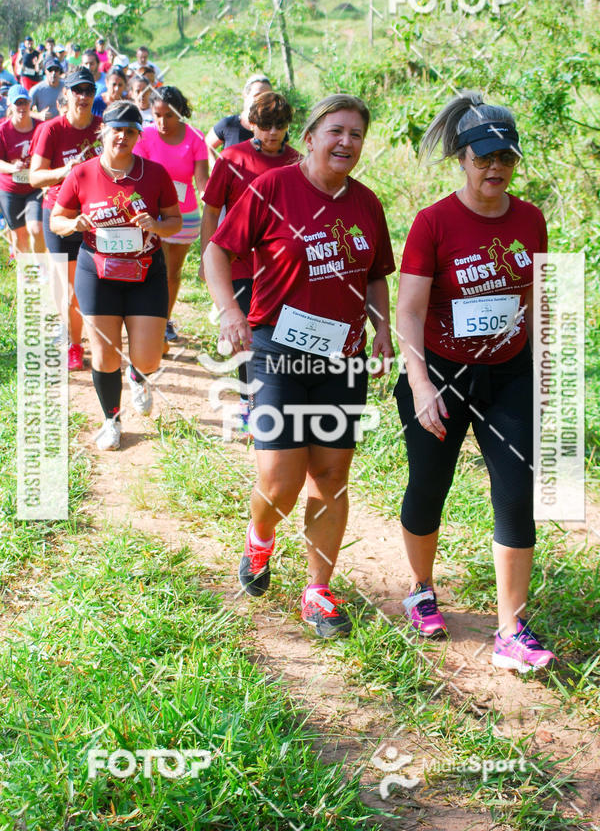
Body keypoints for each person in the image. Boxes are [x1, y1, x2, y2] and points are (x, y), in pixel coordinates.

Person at [204, 94, 396, 638]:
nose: (346, 142)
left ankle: (318, 591)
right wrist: (229, 311)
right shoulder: (272, 188)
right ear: (309, 138)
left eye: (356, 134)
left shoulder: (367, 204)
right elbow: (217, 251)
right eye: (336, 131)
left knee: (331, 476)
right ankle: (259, 540)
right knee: (280, 480)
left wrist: (382, 329)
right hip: (278, 352)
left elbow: (375, 275)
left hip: (343, 358)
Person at [394, 91, 555, 672]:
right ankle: (420, 589)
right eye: (483, 157)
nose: (495, 167)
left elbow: (534, 298)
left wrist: (543, 373)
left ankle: (511, 629)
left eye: (505, 158)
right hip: (440, 372)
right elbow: (409, 310)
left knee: (516, 491)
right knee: (428, 486)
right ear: (462, 158)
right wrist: (420, 385)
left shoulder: (530, 219)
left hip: (508, 373)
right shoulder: (434, 222)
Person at [50, 101, 182, 450]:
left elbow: (175, 221)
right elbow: (56, 220)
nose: (122, 136)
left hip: (146, 271)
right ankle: (111, 420)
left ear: (139, 136)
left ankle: (138, 375)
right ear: (103, 132)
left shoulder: (155, 174)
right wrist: (73, 223)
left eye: (130, 131)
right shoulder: (82, 173)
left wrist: (156, 225)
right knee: (105, 354)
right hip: (98, 272)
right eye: (116, 130)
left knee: (149, 357)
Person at [201, 91, 300, 428]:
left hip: (280, 266)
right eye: (266, 125)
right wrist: (206, 257)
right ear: (252, 125)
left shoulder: (298, 162)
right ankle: (248, 401)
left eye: (279, 126)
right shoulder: (232, 158)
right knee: (246, 332)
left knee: (276, 333)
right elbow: (211, 210)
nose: (272, 133)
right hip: (237, 260)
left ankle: (276, 396)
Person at [29, 67, 103, 371]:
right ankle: (74, 343)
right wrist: (65, 171)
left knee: (96, 286)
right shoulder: (52, 130)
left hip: (97, 216)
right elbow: (34, 177)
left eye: (88, 91)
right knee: (70, 289)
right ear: (66, 93)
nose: (83, 96)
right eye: (77, 90)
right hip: (60, 215)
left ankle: (93, 337)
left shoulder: (103, 128)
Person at [133, 85, 208, 347]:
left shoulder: (195, 138)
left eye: (169, 116)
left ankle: (164, 319)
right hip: (151, 216)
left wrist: (214, 201)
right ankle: (146, 320)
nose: (162, 122)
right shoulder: (144, 136)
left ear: (179, 113)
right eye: (157, 115)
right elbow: (138, 176)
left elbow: (202, 181)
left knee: (172, 273)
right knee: (152, 269)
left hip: (185, 217)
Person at [0, 85, 44, 255]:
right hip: (10, 189)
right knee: (20, 236)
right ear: (10, 105)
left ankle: (41, 266)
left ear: (30, 103)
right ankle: (26, 270)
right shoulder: (3, 130)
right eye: (18, 103)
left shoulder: (41, 127)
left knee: (36, 229)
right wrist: (13, 167)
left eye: (25, 102)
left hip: (35, 188)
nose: (22, 107)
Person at [205, 75, 272, 154]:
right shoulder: (228, 124)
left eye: (267, 96)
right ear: (245, 95)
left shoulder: (275, 128)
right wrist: (214, 162)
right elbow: (206, 146)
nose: (262, 100)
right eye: (257, 95)